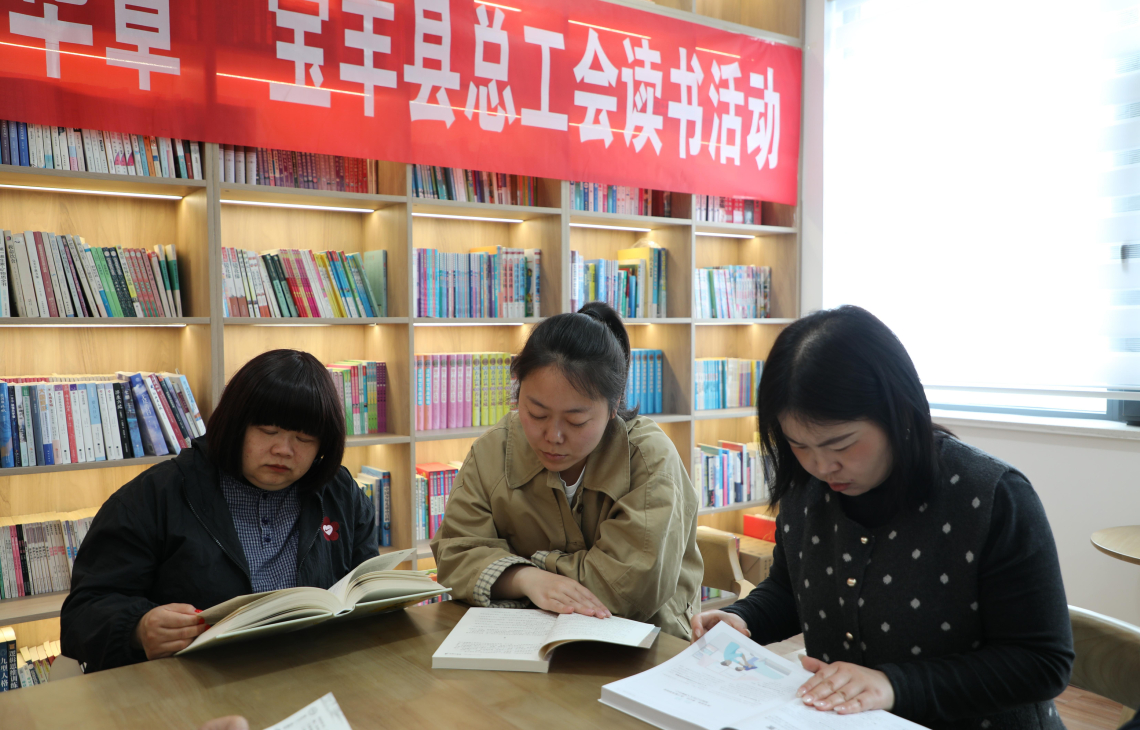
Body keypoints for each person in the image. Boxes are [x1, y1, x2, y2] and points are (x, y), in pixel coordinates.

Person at [691, 306, 1074, 729]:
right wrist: (744, 618)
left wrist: (893, 685)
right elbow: (790, 588)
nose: (822, 466)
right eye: (799, 445)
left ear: (898, 412)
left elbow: (1042, 662)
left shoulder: (991, 496)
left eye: (841, 444)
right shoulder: (806, 489)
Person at [61, 349, 377, 672]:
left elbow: (368, 591)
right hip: (191, 683)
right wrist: (138, 629)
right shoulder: (155, 495)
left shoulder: (339, 493)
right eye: (268, 431)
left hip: (314, 674)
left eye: (304, 438)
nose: (283, 449)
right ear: (236, 424)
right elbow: (80, 616)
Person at [431, 302, 703, 639]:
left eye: (576, 420)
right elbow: (454, 556)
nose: (553, 436)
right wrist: (525, 579)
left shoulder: (647, 458)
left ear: (614, 406)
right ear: (518, 390)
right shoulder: (494, 450)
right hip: (524, 642)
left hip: (646, 645)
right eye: (537, 413)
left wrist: (522, 568)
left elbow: (627, 590)